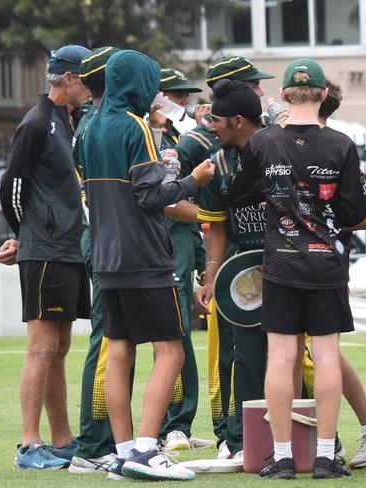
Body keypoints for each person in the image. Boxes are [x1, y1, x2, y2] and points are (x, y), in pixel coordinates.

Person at [227, 59, 366, 480]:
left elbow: (237, 194)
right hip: (327, 264)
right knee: (326, 356)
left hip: (281, 264)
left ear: (285, 96)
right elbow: (356, 211)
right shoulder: (342, 145)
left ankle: (284, 455)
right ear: (325, 95)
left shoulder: (264, 142)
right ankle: (326, 455)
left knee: (281, 356)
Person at [79, 49, 214, 481]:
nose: (155, 92)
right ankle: (144, 449)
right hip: (144, 256)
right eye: (151, 82)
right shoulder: (134, 126)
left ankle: (122, 453)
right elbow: (151, 197)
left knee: (117, 350)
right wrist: (195, 180)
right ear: (136, 83)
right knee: (171, 351)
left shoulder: (88, 127)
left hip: (106, 257)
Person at [0, 44, 91, 470]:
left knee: (61, 345)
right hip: (47, 250)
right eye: (86, 79)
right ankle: (29, 444)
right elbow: (11, 189)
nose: (91, 88)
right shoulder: (37, 123)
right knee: (42, 347)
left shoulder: (68, 122)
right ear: (68, 79)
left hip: (68, 248)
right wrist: (27, 236)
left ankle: (62, 440)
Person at [187, 55, 275, 457]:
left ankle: (315, 439)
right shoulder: (218, 162)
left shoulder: (281, 149)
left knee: (293, 354)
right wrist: (210, 275)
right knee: (246, 356)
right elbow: (217, 226)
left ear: (237, 121)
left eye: (216, 122)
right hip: (243, 273)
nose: (211, 127)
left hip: (287, 262)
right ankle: (243, 441)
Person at [316, 79, 366, 469]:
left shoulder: (336, 145)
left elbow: (362, 215)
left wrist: (321, 222)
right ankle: (326, 438)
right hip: (301, 260)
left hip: (325, 260)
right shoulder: (283, 140)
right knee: (305, 352)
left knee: (322, 351)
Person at [149, 67, 213, 452]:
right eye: (176, 95)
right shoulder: (150, 135)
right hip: (164, 245)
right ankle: (169, 425)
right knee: (171, 337)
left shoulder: (179, 136)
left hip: (185, 244)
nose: (183, 103)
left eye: (186, 96)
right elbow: (167, 200)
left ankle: (180, 425)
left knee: (181, 334)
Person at [67, 45, 121, 474]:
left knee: (112, 341)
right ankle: (93, 443)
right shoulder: (98, 125)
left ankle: (105, 439)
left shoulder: (89, 123)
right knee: (107, 342)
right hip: (107, 239)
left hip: (101, 237)